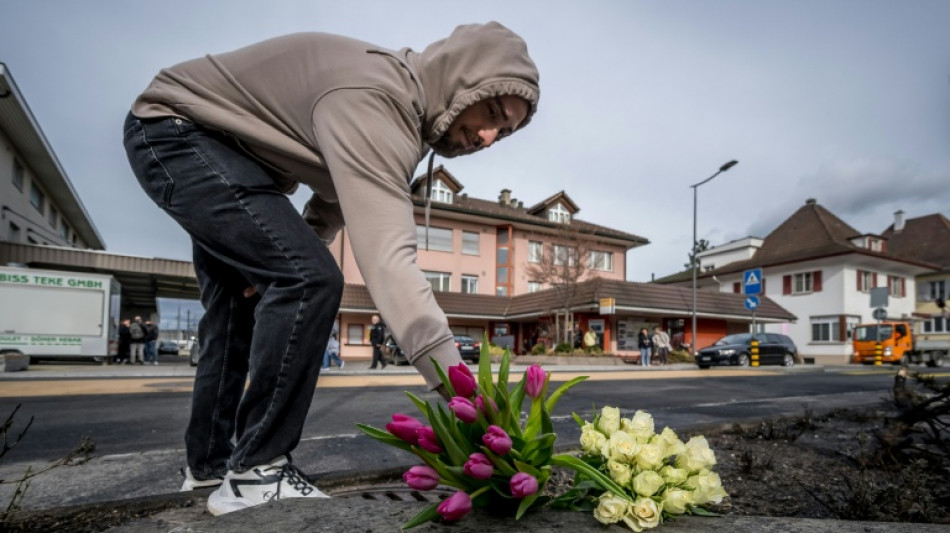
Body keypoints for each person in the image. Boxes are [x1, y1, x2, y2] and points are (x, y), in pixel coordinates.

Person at [122, 21, 538, 516]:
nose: (490, 136)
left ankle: (211, 466)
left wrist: (283, 254)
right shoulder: (377, 100)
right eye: (491, 111)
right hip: (179, 134)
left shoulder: (400, 110)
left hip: (202, 143)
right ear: (461, 80)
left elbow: (332, 198)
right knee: (309, 279)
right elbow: (390, 264)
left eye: (505, 132)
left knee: (241, 302)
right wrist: (464, 393)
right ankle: (259, 469)